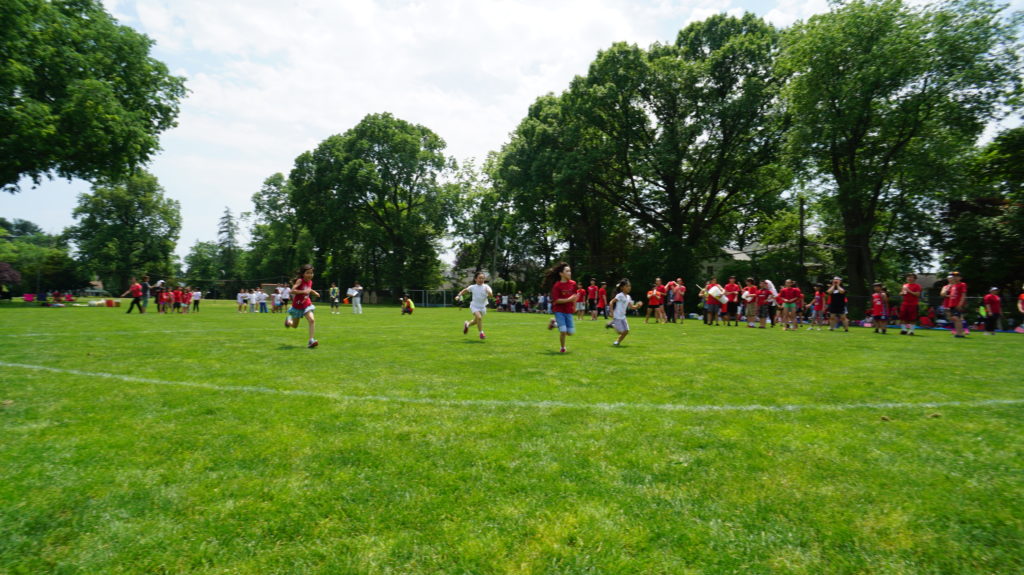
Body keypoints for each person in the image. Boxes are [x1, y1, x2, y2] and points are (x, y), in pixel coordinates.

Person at [545, 262, 579, 354]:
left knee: (570, 332)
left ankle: (554, 323)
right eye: (567, 271)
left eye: (570, 271)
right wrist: (569, 299)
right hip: (559, 310)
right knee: (563, 330)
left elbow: (575, 296)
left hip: (568, 310)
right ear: (561, 274)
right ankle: (563, 348)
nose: (569, 273)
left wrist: (574, 306)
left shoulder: (573, 284)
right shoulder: (557, 285)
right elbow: (556, 300)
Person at [284, 264, 320, 348]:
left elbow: (309, 289)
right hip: (297, 306)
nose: (310, 275)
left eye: (311, 273)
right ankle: (288, 321)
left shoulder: (310, 282)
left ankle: (311, 340)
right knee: (294, 326)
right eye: (307, 273)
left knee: (312, 320)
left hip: (307, 304)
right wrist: (303, 292)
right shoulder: (300, 280)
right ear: (303, 274)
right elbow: (292, 291)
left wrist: (314, 292)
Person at [459, 272, 494, 340]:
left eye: (483, 278)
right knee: (479, 318)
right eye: (479, 278)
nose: (481, 280)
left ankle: (467, 324)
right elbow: (465, 290)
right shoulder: (473, 287)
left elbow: (491, 295)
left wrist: (489, 292)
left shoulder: (486, 287)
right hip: (474, 306)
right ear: (475, 279)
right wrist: (459, 295)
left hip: (483, 307)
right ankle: (481, 333)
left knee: (476, 321)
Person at [609, 279, 644, 346]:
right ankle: (612, 324)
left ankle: (617, 342)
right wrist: (611, 312)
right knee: (620, 332)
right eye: (627, 286)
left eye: (629, 286)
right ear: (622, 287)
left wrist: (638, 305)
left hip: (623, 317)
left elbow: (632, 307)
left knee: (626, 331)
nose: (629, 287)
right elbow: (611, 302)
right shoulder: (620, 295)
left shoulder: (628, 297)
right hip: (617, 316)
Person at [942, 272, 968, 338]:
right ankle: (958, 333)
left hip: (957, 305)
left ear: (960, 278)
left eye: (957, 276)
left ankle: (960, 334)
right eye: (954, 276)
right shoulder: (953, 285)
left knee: (957, 318)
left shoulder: (962, 284)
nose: (955, 278)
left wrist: (960, 304)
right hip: (952, 305)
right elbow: (946, 295)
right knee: (954, 319)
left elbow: (963, 295)